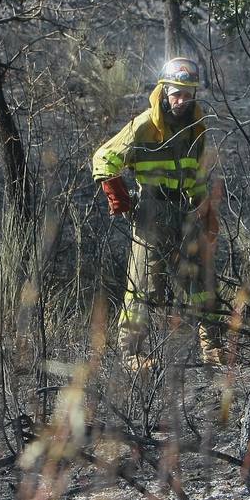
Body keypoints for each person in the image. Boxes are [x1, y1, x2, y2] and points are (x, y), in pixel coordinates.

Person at [92, 57, 224, 366]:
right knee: (143, 284)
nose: (181, 100)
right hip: (152, 212)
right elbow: (104, 158)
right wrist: (118, 196)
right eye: (176, 93)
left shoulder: (196, 128)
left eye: (187, 93)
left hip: (185, 211)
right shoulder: (144, 126)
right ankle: (133, 353)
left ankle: (215, 349)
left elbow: (195, 176)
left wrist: (206, 210)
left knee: (201, 282)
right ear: (163, 91)